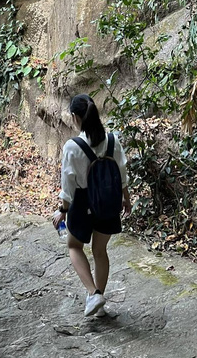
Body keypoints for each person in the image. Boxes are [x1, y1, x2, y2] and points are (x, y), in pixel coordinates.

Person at [52, 93, 131, 317]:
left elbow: (68, 184)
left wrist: (62, 210)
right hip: (109, 201)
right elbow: (121, 171)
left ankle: (93, 293)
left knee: (74, 246)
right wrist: (126, 197)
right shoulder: (113, 140)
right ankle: (98, 304)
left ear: (76, 117)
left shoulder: (72, 146)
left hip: (83, 202)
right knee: (100, 250)